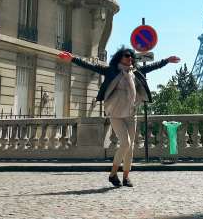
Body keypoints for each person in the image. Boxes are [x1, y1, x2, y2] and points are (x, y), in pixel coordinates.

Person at [58, 47, 180, 187]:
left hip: (131, 113)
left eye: (131, 56)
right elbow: (90, 66)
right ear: (119, 57)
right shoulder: (112, 70)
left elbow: (152, 66)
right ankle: (113, 173)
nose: (130, 58)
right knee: (125, 143)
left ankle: (126, 177)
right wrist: (72, 58)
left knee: (131, 147)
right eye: (127, 56)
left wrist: (167, 61)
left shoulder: (135, 71)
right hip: (116, 113)